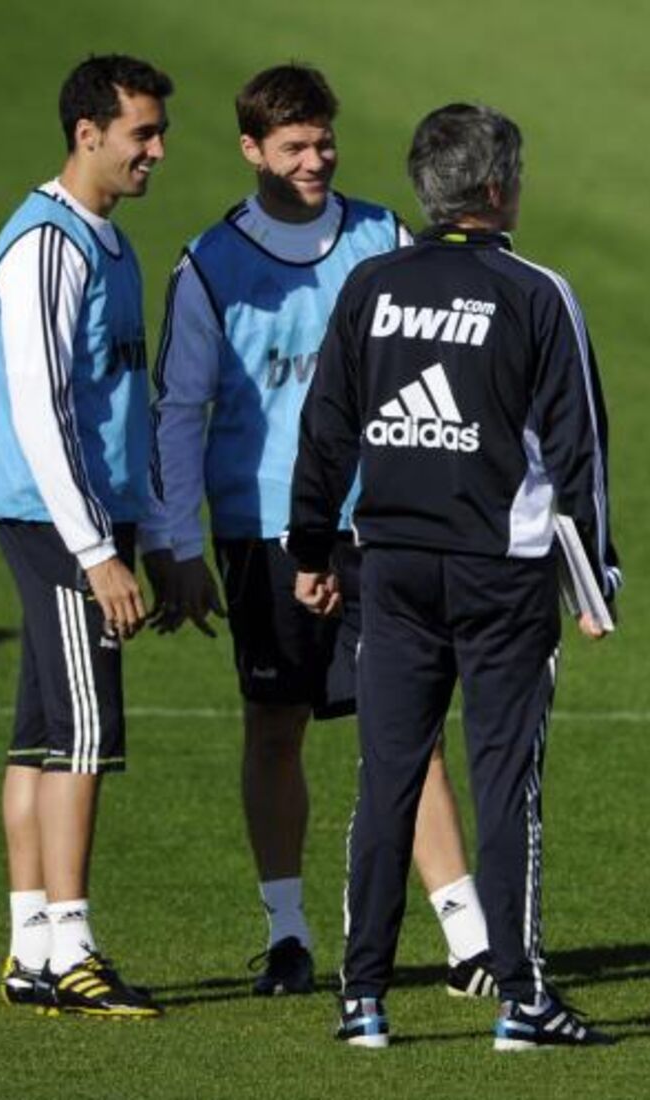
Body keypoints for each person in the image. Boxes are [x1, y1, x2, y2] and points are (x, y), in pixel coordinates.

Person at [141, 65, 494, 998]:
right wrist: (177, 542)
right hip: (261, 530)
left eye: (324, 141)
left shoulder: (381, 235)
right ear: (252, 150)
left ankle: (470, 941)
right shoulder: (209, 265)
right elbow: (179, 411)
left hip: (378, 524)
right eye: (293, 145)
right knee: (275, 727)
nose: (314, 159)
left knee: (408, 728)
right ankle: (290, 934)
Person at [289, 102, 621, 1050]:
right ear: (496, 188)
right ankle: (520, 998)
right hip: (501, 577)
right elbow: (579, 449)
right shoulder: (535, 292)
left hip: (388, 566)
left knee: (387, 776)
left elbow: (327, 428)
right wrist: (594, 585)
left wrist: (311, 552)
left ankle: (362, 1000)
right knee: (505, 781)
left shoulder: (370, 285)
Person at [0, 54, 173, 1017]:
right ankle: (73, 951)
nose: (157, 151)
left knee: (43, 731)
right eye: (142, 133)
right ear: (88, 132)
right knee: (85, 730)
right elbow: (42, 411)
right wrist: (98, 552)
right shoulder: (48, 246)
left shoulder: (106, 243)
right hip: (55, 518)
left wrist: (156, 532)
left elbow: (129, 401)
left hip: (80, 515)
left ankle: (31, 949)